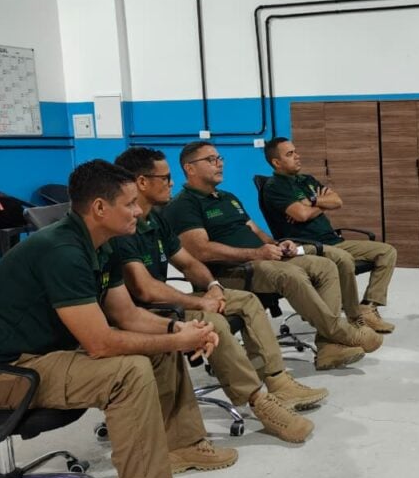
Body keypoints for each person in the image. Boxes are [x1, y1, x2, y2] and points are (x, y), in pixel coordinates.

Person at [0, 160, 236, 478]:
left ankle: (181, 444)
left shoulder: (103, 245)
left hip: (39, 357)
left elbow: (128, 315)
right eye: (131, 203)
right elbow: (100, 344)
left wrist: (179, 329)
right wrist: (177, 338)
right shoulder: (62, 251)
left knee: (156, 348)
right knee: (128, 372)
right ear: (100, 208)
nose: (139, 211)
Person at [114, 147, 326, 443]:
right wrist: (200, 301)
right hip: (142, 312)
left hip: (167, 303)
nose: (171, 183)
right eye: (165, 178)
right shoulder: (123, 227)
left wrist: (213, 286)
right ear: (141, 182)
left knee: (247, 301)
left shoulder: (156, 219)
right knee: (213, 318)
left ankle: (278, 381)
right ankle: (258, 401)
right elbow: (144, 289)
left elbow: (187, 261)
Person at [162, 141, 382, 370]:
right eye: (210, 160)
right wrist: (257, 253)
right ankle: (341, 332)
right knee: (292, 273)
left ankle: (328, 347)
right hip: (232, 271)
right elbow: (201, 250)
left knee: (325, 265)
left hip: (262, 258)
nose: (219, 164)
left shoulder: (228, 197)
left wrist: (278, 244)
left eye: (220, 159)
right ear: (190, 168)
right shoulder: (183, 205)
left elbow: (256, 232)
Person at [262, 137, 397, 334]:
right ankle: (353, 318)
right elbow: (301, 214)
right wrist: (321, 204)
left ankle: (368, 307)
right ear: (276, 162)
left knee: (386, 252)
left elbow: (337, 201)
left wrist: (312, 201)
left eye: (296, 151)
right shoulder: (274, 187)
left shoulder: (306, 180)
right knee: (344, 260)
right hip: (306, 246)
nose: (297, 156)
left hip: (333, 240)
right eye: (290, 154)